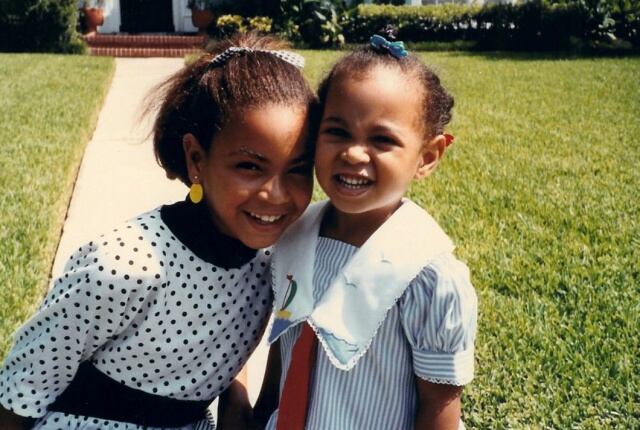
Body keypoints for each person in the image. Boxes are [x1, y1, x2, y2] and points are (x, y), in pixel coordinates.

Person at [0, 33, 316, 430]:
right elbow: (22, 388)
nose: (276, 194)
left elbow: (223, 334)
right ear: (196, 158)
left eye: (298, 169)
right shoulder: (124, 266)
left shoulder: (275, 263)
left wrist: (233, 390)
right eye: (250, 167)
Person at [254, 34, 478, 430]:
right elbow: (283, 352)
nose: (354, 154)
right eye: (337, 132)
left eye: (382, 140)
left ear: (427, 157)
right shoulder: (293, 234)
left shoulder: (427, 275)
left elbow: (438, 405)